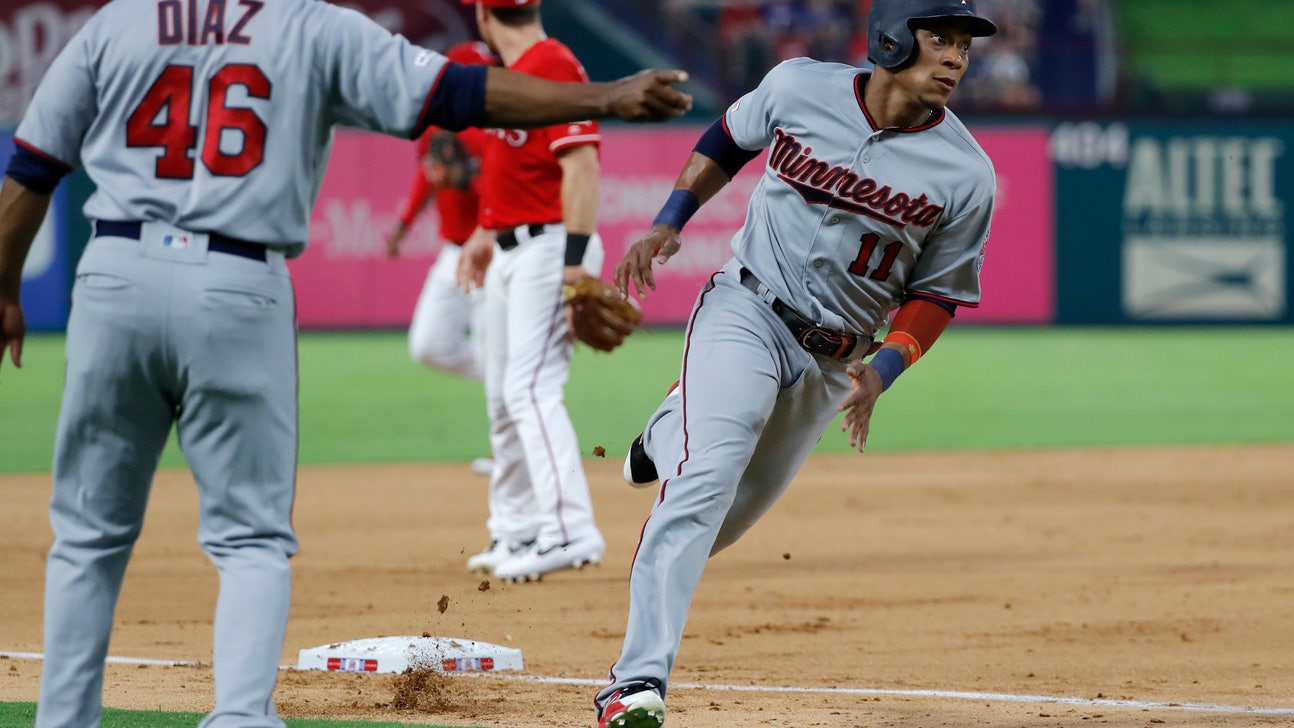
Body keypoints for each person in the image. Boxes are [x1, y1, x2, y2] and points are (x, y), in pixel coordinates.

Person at [0, 0, 690, 723]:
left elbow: (32, 164)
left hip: (114, 276)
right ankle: (240, 717)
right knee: (250, 539)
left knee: (86, 537)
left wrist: (4, 286)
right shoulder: (310, 23)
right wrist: (604, 95)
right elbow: (457, 95)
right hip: (238, 279)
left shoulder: (119, 21)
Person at [592, 1, 997, 726]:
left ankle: (662, 434)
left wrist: (884, 371)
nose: (956, 58)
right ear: (893, 36)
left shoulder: (967, 173)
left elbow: (938, 293)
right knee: (703, 483)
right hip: (747, 309)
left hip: (834, 363)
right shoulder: (799, 87)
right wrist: (667, 222)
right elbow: (728, 136)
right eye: (941, 38)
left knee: (725, 521)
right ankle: (635, 683)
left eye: (964, 45)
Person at [455, 0, 609, 584]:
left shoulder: (554, 66)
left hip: (551, 249)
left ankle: (570, 530)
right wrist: (481, 234)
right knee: (501, 394)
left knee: (530, 388)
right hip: (508, 248)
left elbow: (582, 170)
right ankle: (515, 528)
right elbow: (519, 170)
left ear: (482, 16)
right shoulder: (515, 73)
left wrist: (573, 265)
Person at [385, 40, 498, 478]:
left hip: (494, 252)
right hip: (454, 252)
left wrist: (467, 179)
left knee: (496, 348)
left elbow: (505, 192)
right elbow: (426, 176)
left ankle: (507, 449)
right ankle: (503, 378)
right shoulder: (438, 122)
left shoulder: (498, 126)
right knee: (428, 344)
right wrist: (404, 222)